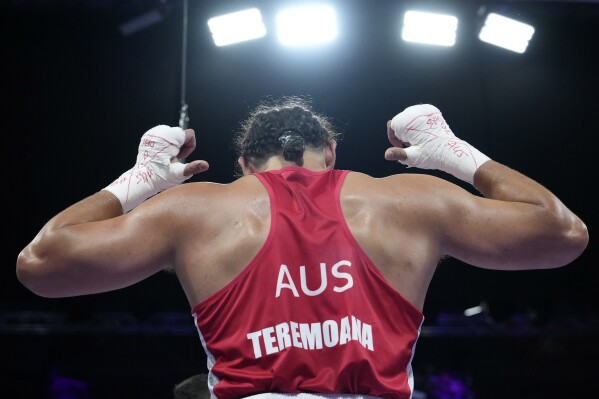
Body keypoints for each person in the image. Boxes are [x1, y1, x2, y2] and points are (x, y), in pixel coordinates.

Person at [17, 97, 588, 399]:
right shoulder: (410, 202)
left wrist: (138, 182)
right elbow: (562, 233)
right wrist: (453, 153)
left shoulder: (195, 211)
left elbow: (41, 265)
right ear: (332, 153)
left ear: (244, 165)